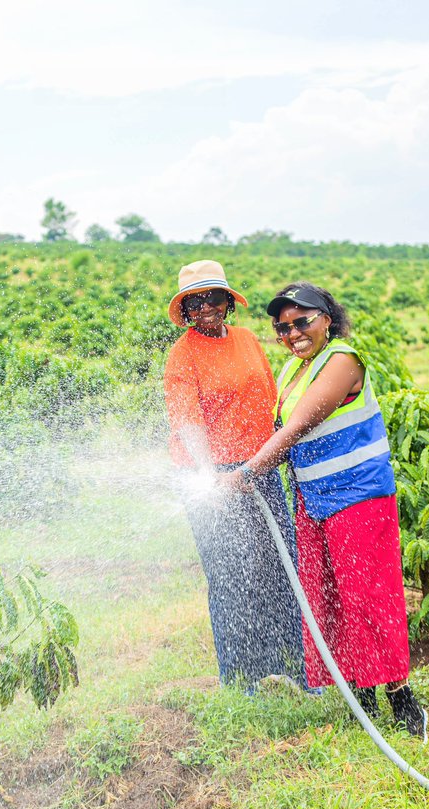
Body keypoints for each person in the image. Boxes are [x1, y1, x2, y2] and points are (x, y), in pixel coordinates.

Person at [221, 280, 428, 737]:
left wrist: (247, 472)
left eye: (302, 322)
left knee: (369, 598)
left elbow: (296, 427)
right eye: (283, 327)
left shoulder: (340, 360)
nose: (293, 333)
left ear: (327, 320)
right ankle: (364, 695)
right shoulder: (295, 370)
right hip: (315, 504)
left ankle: (402, 700)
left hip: (357, 499)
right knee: (331, 600)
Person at [163, 260, 305, 688]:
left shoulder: (245, 340)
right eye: (196, 302)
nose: (206, 307)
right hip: (213, 476)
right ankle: (242, 679)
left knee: (279, 566)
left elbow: (269, 394)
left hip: (258, 467)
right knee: (231, 575)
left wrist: (276, 453)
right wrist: (212, 478)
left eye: (213, 298)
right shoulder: (182, 355)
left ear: (228, 302)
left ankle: (295, 666)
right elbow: (189, 423)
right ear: (186, 310)